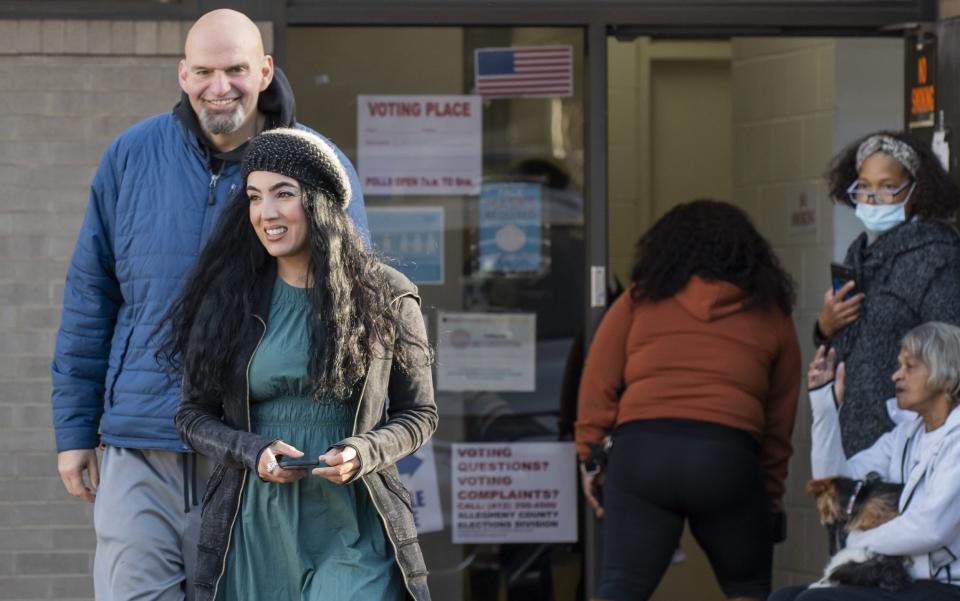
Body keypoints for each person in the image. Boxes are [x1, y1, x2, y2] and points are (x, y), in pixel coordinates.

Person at [49, 9, 368, 600]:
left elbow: (352, 314)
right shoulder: (131, 156)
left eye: (236, 70)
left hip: (259, 450)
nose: (219, 86)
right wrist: (74, 429)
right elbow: (91, 296)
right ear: (182, 73)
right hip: (142, 442)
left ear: (266, 71)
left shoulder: (318, 167)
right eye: (204, 71)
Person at [164, 128, 436, 601]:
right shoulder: (228, 299)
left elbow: (419, 414)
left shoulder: (387, 295)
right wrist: (253, 450)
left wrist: (363, 451)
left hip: (352, 517)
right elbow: (192, 416)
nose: (265, 212)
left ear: (320, 203)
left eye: (283, 194)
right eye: (254, 197)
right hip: (254, 522)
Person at [576, 200, 801, 601]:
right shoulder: (772, 314)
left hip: (643, 453)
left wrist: (590, 457)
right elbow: (780, 420)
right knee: (747, 587)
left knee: (621, 589)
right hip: (727, 457)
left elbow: (597, 383)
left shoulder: (639, 300)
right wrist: (767, 494)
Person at [771, 321, 960, 601]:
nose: (896, 376)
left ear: (946, 375)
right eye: (899, 365)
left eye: (910, 366)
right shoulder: (906, 436)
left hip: (947, 586)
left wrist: (861, 540)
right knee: (783, 598)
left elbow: (932, 528)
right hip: (903, 579)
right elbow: (834, 487)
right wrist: (825, 409)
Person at [816, 131, 960, 457]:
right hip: (852, 429)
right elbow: (847, 342)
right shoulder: (861, 252)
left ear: (915, 190)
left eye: (886, 187)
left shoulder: (937, 256)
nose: (872, 198)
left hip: (907, 439)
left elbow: (950, 352)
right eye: (864, 187)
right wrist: (825, 327)